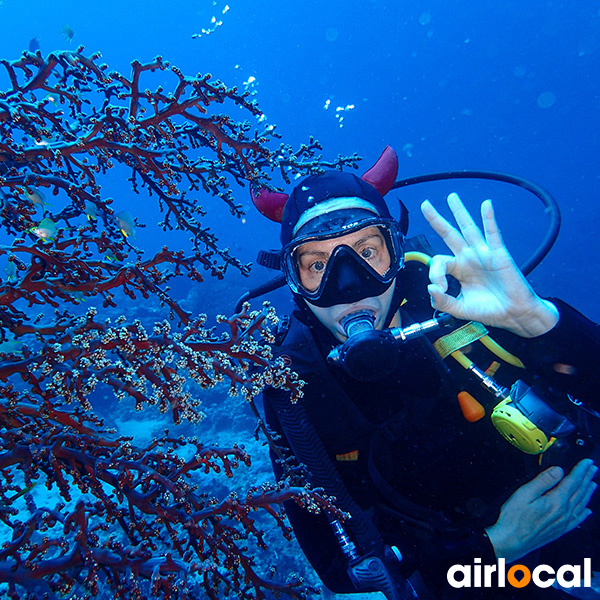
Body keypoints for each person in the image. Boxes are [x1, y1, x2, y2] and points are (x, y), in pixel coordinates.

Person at [257, 154, 600, 599]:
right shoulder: (297, 386)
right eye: (317, 265)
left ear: (396, 253)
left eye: (366, 253)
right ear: (293, 280)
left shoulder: (467, 301)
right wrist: (493, 550)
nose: (348, 285)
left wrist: (540, 323)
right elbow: (340, 568)